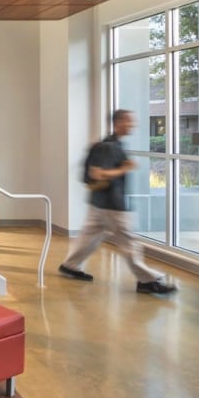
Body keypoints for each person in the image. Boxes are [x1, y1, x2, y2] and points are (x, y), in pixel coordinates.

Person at [59, 109, 177, 294]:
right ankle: (147, 280)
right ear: (118, 122)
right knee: (129, 243)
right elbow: (97, 174)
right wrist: (124, 168)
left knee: (89, 236)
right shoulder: (109, 147)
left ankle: (70, 265)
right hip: (111, 204)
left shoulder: (112, 144)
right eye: (130, 121)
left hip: (99, 202)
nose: (133, 125)